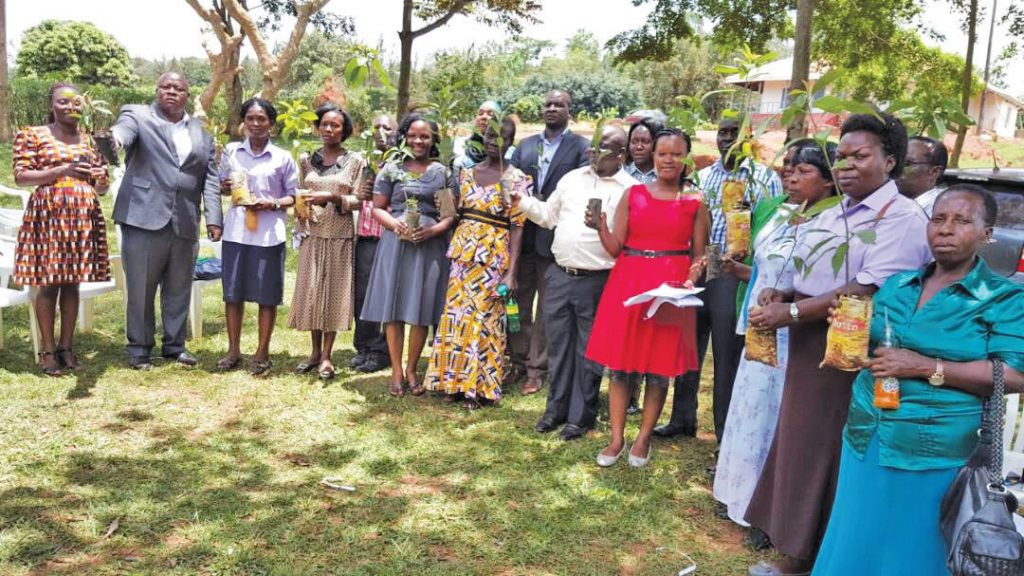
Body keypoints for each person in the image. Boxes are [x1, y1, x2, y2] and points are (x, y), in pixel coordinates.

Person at [745, 113, 932, 576]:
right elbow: (810, 276)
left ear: (890, 161)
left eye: (860, 155)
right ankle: (797, 551)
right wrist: (783, 293)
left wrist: (788, 313)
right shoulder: (835, 212)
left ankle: (815, 559)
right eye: (842, 156)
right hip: (812, 342)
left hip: (854, 347)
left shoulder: (901, 218)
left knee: (829, 452)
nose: (846, 165)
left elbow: (864, 291)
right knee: (801, 446)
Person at [810, 184, 1024, 575]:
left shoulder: (1002, 298)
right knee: (855, 539)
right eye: (939, 219)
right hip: (866, 433)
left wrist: (926, 367)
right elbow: (875, 342)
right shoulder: (900, 284)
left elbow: (1013, 374)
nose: (945, 229)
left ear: (987, 234)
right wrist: (847, 330)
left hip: (932, 448)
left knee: (910, 551)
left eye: (962, 221)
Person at [713, 140, 838, 531]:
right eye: (788, 167)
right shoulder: (783, 212)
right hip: (760, 323)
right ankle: (738, 494)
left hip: (795, 331)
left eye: (803, 171)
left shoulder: (832, 223)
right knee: (750, 409)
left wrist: (788, 305)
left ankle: (769, 509)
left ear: (830, 181)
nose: (791, 175)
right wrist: (739, 273)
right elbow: (768, 271)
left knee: (778, 417)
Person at [655, 117, 783, 441]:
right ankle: (682, 419)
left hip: (733, 272)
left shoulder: (765, 180)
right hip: (701, 265)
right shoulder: (702, 178)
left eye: (735, 133)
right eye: (723, 133)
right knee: (689, 346)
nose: (728, 139)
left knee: (726, 354)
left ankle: (725, 432)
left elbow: (774, 228)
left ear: (749, 138)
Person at [587, 128, 707, 467]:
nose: (668, 160)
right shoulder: (634, 194)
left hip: (669, 291)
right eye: (661, 153)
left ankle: (643, 439)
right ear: (652, 156)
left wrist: (690, 278)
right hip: (629, 283)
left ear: (686, 158)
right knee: (621, 366)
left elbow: (699, 254)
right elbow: (614, 249)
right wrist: (600, 227)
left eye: (675, 154)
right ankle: (615, 438)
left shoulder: (696, 201)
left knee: (659, 369)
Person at [513, 125, 637, 441]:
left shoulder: (630, 189)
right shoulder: (572, 179)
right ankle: (555, 409)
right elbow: (548, 216)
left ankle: (581, 417)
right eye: (593, 146)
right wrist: (522, 201)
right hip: (559, 275)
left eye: (604, 148)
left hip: (598, 280)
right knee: (559, 346)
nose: (594, 152)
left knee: (589, 351)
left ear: (622, 153)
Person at [111, 72, 223, 370]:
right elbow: (121, 134)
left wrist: (214, 218)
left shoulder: (201, 132)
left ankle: (174, 346)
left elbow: (210, 179)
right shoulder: (137, 115)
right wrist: (113, 141)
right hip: (143, 217)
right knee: (141, 288)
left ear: (188, 94)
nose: (172, 92)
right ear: (157, 89)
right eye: (166, 87)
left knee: (179, 286)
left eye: (179, 88)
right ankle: (139, 349)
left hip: (185, 219)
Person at [426, 116, 530, 409]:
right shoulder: (465, 173)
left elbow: (518, 226)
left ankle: (478, 387)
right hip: (463, 255)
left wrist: (511, 273)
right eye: (489, 136)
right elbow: (453, 213)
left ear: (511, 142)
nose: (494, 143)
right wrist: (443, 200)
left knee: (486, 321)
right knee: (457, 317)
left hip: (494, 258)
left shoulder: (516, 178)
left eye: (501, 138)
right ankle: (452, 381)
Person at [11, 82, 111, 376]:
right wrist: (61, 171)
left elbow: (99, 184)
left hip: (83, 217)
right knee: (49, 283)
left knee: (73, 283)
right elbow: (22, 176)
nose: (71, 107)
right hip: (50, 216)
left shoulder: (91, 141)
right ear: (52, 105)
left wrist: (102, 183)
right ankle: (47, 350)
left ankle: (67, 347)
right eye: (63, 102)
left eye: (76, 102)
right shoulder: (33, 134)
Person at [361, 113, 456, 397]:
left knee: (420, 309)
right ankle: (396, 370)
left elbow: (450, 215)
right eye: (413, 135)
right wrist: (395, 224)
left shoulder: (443, 173)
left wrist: (434, 231)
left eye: (425, 136)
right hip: (396, 245)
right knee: (394, 308)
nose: (418, 141)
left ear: (433, 140)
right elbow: (378, 207)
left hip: (429, 248)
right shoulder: (391, 169)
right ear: (404, 136)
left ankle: (413, 368)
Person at [508, 90, 591, 395]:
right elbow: (511, 179)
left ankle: (536, 368)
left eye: (560, 105)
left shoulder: (582, 148)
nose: (553, 108)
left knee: (546, 309)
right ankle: (516, 360)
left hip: (554, 240)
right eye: (548, 104)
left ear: (570, 111)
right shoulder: (526, 146)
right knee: (517, 302)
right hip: (520, 237)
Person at [216, 98, 298, 376]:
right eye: (250, 118)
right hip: (237, 232)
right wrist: (226, 187)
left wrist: (272, 204)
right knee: (233, 294)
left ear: (271, 125)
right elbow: (223, 187)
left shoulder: (282, 158)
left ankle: (262, 351)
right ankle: (233, 349)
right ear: (243, 122)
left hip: (268, 235)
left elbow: (294, 196)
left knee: (267, 296)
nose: (255, 124)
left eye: (262, 119)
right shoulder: (231, 152)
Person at [288, 103, 366, 380]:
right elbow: (299, 192)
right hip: (313, 234)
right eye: (325, 124)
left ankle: (327, 356)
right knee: (312, 293)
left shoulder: (356, 161)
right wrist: (299, 212)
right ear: (317, 126)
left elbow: (360, 199)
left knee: (333, 295)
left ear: (344, 130)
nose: (330, 129)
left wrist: (332, 198)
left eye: (336, 125)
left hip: (340, 235)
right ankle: (313, 351)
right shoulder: (307, 160)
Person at [621, 116, 665, 415]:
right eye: (634, 140)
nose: (638, 146)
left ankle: (645, 390)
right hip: (625, 258)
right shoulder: (623, 174)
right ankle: (627, 392)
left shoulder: (665, 179)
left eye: (644, 141)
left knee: (651, 328)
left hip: (657, 261)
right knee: (627, 329)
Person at [351, 114, 397, 374]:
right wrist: (361, 193)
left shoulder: (401, 164)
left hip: (388, 236)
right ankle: (365, 346)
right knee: (362, 294)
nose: (381, 132)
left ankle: (381, 350)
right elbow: (357, 198)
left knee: (383, 295)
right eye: (376, 127)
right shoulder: (367, 161)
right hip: (366, 235)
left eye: (387, 128)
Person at [452, 101, 515, 170]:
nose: (484, 117)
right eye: (480, 113)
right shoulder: (460, 143)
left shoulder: (510, 152)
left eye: (490, 114)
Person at [896, 135, 947, 216]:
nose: (895, 168)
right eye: (896, 161)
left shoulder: (940, 210)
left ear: (934, 172)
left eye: (906, 163)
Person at [623, 117, 663, 184]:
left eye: (646, 142)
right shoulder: (622, 175)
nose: (639, 147)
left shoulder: (666, 176)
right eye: (634, 141)